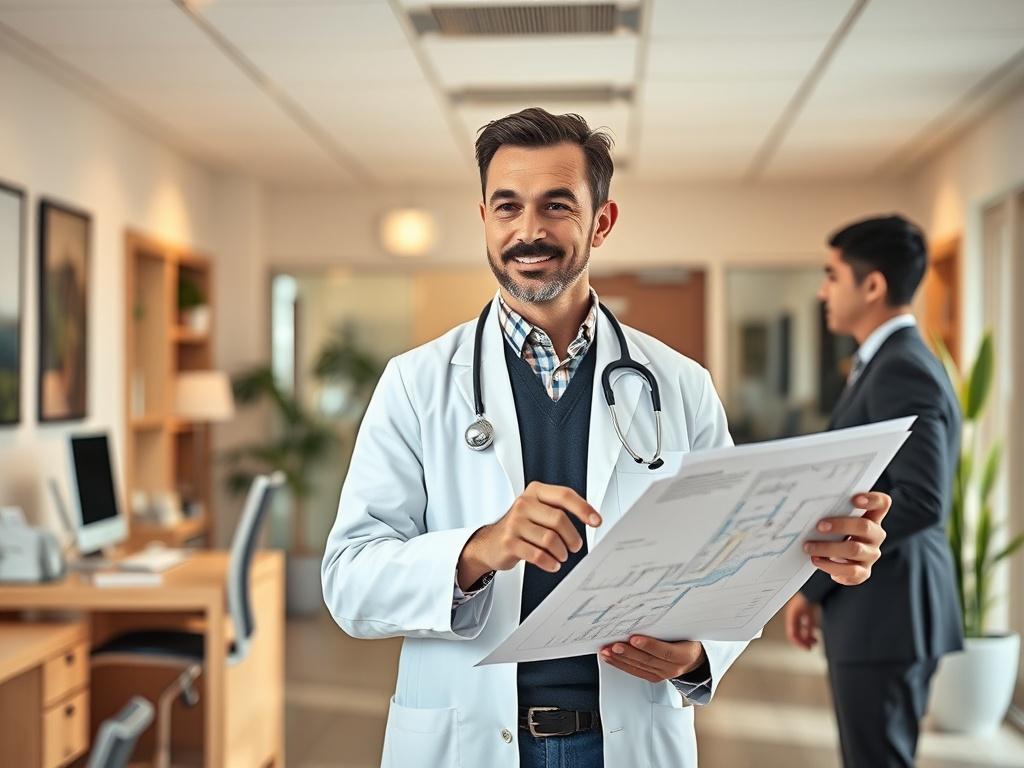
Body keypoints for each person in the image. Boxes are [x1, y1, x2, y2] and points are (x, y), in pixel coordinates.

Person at [322, 108, 891, 768]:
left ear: (602, 221)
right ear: (483, 218)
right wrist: (480, 549)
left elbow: (736, 558)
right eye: (507, 207)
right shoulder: (416, 384)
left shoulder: (680, 385)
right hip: (466, 738)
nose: (527, 231)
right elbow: (349, 583)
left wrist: (703, 650)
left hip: (624, 736)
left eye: (556, 206)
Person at [784, 215, 963, 768]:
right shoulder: (882, 364)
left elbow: (923, 499)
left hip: (889, 613)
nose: (822, 291)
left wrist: (815, 584)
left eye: (832, 275)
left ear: (873, 285)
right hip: (880, 611)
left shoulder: (899, 368)